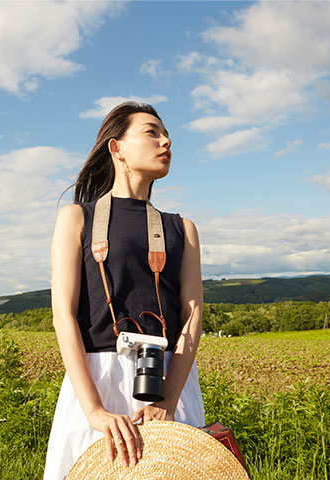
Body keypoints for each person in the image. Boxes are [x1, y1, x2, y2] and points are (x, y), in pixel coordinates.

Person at [43, 102, 205, 479]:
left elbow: (192, 316)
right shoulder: (76, 217)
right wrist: (94, 410)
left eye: (166, 135)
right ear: (117, 148)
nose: (165, 141)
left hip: (168, 380)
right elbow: (63, 316)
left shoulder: (183, 228)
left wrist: (169, 399)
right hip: (96, 379)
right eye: (152, 132)